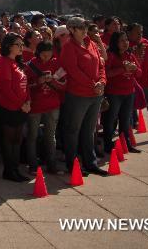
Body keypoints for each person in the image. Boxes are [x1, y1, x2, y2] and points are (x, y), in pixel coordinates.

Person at [60, 17, 109, 176]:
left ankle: (90, 163)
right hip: (78, 94)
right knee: (73, 130)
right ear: (72, 30)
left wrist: (101, 82)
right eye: (81, 28)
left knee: (89, 130)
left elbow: (101, 65)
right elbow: (73, 71)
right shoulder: (69, 47)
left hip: (95, 94)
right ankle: (72, 164)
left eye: (85, 28)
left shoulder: (91, 43)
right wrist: (92, 85)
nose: (84, 31)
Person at [0, 34, 31, 182]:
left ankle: (15, 169)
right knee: (9, 141)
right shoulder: (4, 63)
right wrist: (21, 104)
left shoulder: (17, 63)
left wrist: (28, 101)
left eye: (22, 44)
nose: (22, 47)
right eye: (18, 44)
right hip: (9, 108)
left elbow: (26, 86)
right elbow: (6, 90)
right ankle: (9, 170)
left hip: (21, 108)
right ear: (9, 46)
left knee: (17, 140)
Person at [24, 41, 64, 174]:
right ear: (38, 53)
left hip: (52, 105)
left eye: (49, 54)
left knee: (50, 136)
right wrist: (38, 82)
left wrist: (53, 80)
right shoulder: (30, 65)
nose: (47, 57)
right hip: (35, 106)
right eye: (44, 55)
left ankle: (52, 165)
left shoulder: (57, 63)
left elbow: (64, 84)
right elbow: (25, 86)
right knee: (32, 136)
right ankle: (33, 165)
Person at [103, 31, 141, 153]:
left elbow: (139, 72)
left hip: (129, 92)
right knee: (110, 119)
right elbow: (107, 73)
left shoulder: (130, 54)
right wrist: (122, 68)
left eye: (126, 40)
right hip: (114, 93)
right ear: (115, 42)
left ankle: (126, 144)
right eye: (122, 41)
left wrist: (134, 69)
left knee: (125, 120)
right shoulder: (111, 55)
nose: (125, 43)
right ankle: (108, 145)